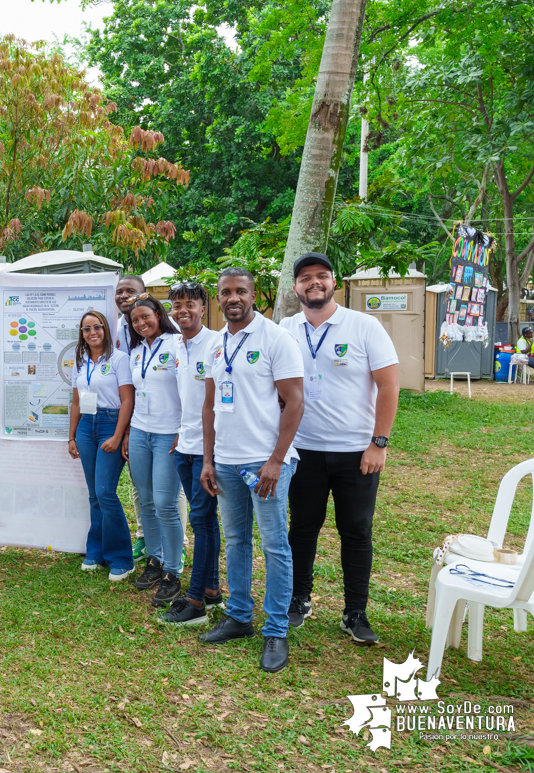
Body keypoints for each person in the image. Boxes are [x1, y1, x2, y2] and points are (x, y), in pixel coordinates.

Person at [280, 253, 398, 646]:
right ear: (295, 287)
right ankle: (299, 599)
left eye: (322, 276)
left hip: (356, 452)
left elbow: (389, 386)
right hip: (304, 450)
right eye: (305, 278)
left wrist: (378, 443)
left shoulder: (364, 326)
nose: (314, 283)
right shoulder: (286, 328)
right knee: (302, 527)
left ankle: (355, 612)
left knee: (356, 531)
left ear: (335, 282)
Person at [199, 267, 304, 673]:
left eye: (240, 290)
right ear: (219, 298)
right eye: (225, 292)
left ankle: (276, 630)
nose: (233, 298)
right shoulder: (216, 343)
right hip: (225, 461)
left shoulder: (276, 338)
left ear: (253, 294)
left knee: (275, 546)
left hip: (265, 463)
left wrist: (276, 460)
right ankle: (240, 615)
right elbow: (209, 407)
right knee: (237, 540)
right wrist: (208, 459)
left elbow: (294, 402)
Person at [157, 282, 223, 626]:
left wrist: (208, 452)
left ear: (203, 307)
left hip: (207, 450)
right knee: (205, 521)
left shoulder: (215, 343)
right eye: (177, 305)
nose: (183, 311)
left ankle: (195, 599)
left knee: (201, 521)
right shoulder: (177, 345)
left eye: (190, 305)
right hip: (184, 445)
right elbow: (187, 398)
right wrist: (181, 433)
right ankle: (211, 591)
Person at [123, 295, 185, 605]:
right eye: (135, 320)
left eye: (146, 316)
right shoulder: (135, 352)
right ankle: (156, 560)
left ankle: (173, 570)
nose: (141, 323)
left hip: (168, 434)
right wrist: (127, 435)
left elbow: (190, 390)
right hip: (139, 432)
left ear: (158, 314)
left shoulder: (178, 345)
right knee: (145, 501)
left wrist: (183, 430)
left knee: (165, 503)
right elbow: (132, 396)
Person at [67, 310, 136, 581]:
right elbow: (76, 402)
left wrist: (119, 436)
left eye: (97, 327)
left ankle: (122, 557)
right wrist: (71, 437)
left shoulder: (120, 359)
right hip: (86, 426)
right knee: (94, 494)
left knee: (106, 492)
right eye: (86, 329)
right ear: (82, 334)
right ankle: (96, 551)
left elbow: (127, 401)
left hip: (110, 423)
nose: (92, 332)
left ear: (106, 330)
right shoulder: (80, 361)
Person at [113, 274, 148, 561]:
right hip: (131, 414)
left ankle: (176, 540)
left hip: (156, 417)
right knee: (137, 482)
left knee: (168, 489)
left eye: (130, 291)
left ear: (144, 294)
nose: (124, 295)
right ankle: (143, 537)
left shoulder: (153, 324)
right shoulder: (117, 326)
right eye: (120, 291)